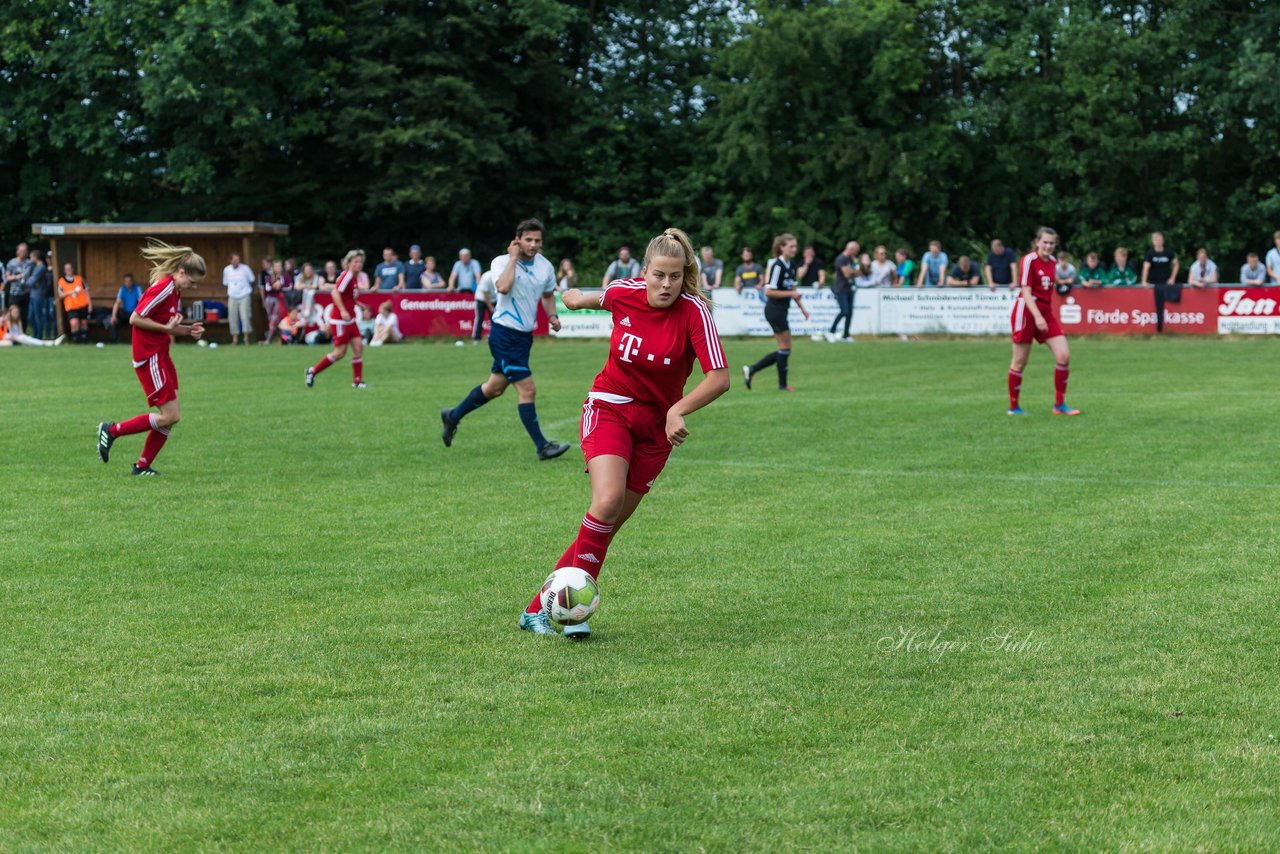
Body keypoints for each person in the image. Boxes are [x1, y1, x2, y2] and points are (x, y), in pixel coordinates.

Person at [518, 228, 729, 637]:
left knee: (607, 524)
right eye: (658, 275)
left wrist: (679, 409)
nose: (665, 285)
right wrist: (571, 298)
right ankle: (565, 612)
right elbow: (586, 298)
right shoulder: (624, 291)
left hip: (656, 430)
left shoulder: (694, 311)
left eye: (674, 276)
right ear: (644, 271)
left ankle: (548, 609)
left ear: (683, 274)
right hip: (609, 407)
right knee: (608, 500)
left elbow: (718, 378)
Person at [440, 218, 570, 461]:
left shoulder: (545, 266)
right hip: (503, 335)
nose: (533, 245)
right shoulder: (501, 262)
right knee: (527, 389)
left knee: (494, 388)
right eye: (528, 240)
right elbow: (502, 287)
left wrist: (552, 315)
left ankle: (452, 416)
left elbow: (547, 295)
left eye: (537, 240)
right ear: (517, 240)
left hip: (523, 338)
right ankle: (542, 447)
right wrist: (513, 258)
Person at [96, 241, 206, 476]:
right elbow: (135, 318)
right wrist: (168, 328)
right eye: (192, 281)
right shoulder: (165, 288)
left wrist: (187, 330)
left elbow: (164, 326)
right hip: (150, 357)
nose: (193, 287)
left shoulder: (176, 290)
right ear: (181, 272)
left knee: (172, 416)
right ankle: (112, 430)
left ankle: (142, 466)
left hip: (161, 354)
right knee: (170, 415)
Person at [1007, 227, 1079, 417]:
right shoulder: (1029, 260)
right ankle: (1014, 407)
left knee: (1063, 355)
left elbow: (1048, 285)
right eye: (1045, 242)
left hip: (1045, 312)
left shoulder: (1053, 262)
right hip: (1027, 311)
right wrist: (1037, 316)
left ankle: (1059, 405)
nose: (1048, 246)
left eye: (1052, 243)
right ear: (1037, 242)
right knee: (1020, 361)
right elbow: (1026, 290)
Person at [744, 233, 807, 392]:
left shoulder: (791, 265)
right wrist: (791, 294)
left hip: (781, 311)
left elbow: (793, 289)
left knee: (784, 348)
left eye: (795, 246)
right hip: (774, 310)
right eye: (791, 246)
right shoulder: (777, 266)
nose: (794, 249)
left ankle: (753, 370)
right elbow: (769, 292)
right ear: (782, 247)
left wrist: (803, 309)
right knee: (785, 348)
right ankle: (781, 384)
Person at [306, 249, 368, 389]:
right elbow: (335, 293)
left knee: (358, 348)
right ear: (349, 263)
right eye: (355, 261)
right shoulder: (347, 275)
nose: (359, 264)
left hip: (350, 319)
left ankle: (357, 382)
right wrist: (343, 310)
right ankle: (312, 371)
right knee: (340, 353)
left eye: (360, 261)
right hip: (340, 320)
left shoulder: (354, 276)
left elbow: (347, 296)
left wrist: (358, 304)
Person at [1141, 232, 1179, 333]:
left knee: (1169, 306)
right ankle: (1158, 330)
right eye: (1156, 239)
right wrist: (1144, 281)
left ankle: (1170, 329)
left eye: (1159, 239)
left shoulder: (1168, 252)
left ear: (1163, 240)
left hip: (1166, 284)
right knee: (1157, 307)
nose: (1158, 241)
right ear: (1153, 241)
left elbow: (1176, 264)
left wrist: (1172, 278)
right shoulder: (1150, 253)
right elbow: (1146, 267)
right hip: (1154, 285)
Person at [827, 240, 859, 342]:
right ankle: (831, 332)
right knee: (844, 311)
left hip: (849, 288)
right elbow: (847, 274)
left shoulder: (850, 259)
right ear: (851, 249)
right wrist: (854, 271)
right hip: (841, 289)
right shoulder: (841, 259)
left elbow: (855, 272)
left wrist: (853, 271)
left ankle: (846, 335)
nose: (857, 253)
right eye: (856, 250)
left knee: (850, 313)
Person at [221, 252, 255, 345]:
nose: (237, 261)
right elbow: (226, 283)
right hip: (232, 296)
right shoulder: (227, 270)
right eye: (235, 260)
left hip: (244, 295)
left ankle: (246, 339)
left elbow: (252, 279)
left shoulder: (245, 268)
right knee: (232, 317)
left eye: (238, 260)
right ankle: (235, 339)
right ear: (230, 261)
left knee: (245, 317)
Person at [58, 262, 92, 343]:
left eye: (70, 269)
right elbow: (60, 295)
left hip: (82, 305)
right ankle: (76, 341)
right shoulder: (61, 281)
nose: (68, 270)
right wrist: (71, 292)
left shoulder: (79, 279)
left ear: (72, 270)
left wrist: (90, 304)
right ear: (64, 271)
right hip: (71, 306)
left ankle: (84, 341)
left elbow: (86, 292)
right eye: (67, 269)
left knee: (84, 323)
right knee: (74, 323)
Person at [4, 242, 34, 328]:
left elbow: (33, 277)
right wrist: (17, 277)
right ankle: (11, 331)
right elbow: (7, 277)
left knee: (25, 315)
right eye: (20, 251)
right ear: (17, 251)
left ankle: (22, 333)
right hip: (15, 293)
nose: (22, 253)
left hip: (26, 293)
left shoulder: (30, 263)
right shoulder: (12, 262)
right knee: (13, 313)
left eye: (24, 251)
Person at [109, 273, 144, 344]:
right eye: (126, 281)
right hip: (125, 313)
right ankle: (113, 342)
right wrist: (113, 316)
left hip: (135, 313)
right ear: (124, 282)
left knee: (138, 323)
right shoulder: (122, 289)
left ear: (132, 281)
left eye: (129, 281)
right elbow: (117, 303)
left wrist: (140, 314)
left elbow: (141, 301)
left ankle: (137, 342)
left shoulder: (137, 288)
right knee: (114, 321)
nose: (128, 283)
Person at [28, 249, 55, 340]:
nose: (30, 258)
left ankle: (38, 337)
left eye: (31, 256)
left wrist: (27, 281)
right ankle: (35, 335)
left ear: (35, 257)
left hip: (39, 296)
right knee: (31, 316)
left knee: (38, 317)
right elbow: (30, 279)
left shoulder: (41, 267)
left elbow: (30, 282)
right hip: (33, 295)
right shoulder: (35, 267)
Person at [473, 269, 496, 344]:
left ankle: (494, 337)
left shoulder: (502, 276)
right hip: (481, 298)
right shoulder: (486, 277)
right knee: (480, 318)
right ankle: (477, 339)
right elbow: (485, 294)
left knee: (495, 320)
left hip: (494, 299)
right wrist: (490, 307)